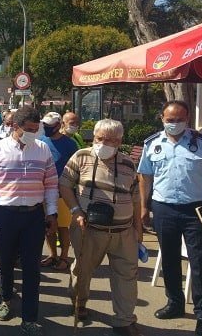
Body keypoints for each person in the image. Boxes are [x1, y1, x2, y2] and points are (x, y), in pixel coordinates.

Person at [137, 100, 202, 336]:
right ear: (162, 118)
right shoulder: (152, 144)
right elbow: (145, 177)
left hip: (197, 211)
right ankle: (174, 303)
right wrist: (143, 207)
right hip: (164, 208)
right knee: (169, 259)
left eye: (179, 119)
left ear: (187, 119)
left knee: (199, 263)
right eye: (170, 119)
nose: (174, 124)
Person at [0, 105, 58, 335]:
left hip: (33, 216)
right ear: (14, 126)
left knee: (32, 267)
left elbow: (51, 184)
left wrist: (51, 213)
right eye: (28, 129)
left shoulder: (42, 150)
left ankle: (29, 317)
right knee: (5, 261)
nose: (33, 133)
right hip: (5, 215)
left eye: (36, 128)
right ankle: (5, 299)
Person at [59, 119, 142, 336]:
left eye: (111, 140)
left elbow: (135, 197)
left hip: (123, 231)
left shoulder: (128, 163)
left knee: (127, 276)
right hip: (89, 228)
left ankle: (124, 320)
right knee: (83, 271)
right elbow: (65, 184)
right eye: (100, 139)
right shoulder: (81, 156)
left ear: (119, 141)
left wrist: (138, 227)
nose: (104, 144)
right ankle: (80, 302)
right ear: (94, 138)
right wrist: (76, 210)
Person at [39, 112, 79, 271]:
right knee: (48, 226)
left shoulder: (70, 144)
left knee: (63, 226)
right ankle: (52, 254)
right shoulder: (41, 142)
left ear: (58, 125)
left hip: (63, 192)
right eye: (45, 125)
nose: (47, 128)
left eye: (50, 126)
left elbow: (76, 167)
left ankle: (64, 257)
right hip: (44, 191)